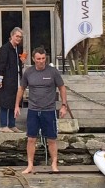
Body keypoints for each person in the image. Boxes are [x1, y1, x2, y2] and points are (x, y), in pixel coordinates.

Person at [15, 46, 70, 174]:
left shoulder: (53, 72)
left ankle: (54, 164)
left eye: (43, 58)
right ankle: (30, 165)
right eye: (38, 59)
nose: (41, 61)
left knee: (51, 138)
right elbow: (21, 89)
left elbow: (62, 88)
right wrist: (17, 105)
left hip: (49, 110)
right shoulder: (28, 72)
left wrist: (63, 105)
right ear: (34, 59)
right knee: (31, 139)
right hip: (33, 110)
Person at [0, 27, 24, 133]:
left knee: (13, 101)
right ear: (11, 36)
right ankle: (3, 125)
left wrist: (22, 62)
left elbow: (18, 64)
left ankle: (12, 124)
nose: (19, 39)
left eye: (20, 37)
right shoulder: (4, 49)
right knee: (4, 102)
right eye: (17, 36)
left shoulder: (18, 49)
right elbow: (0, 65)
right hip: (6, 79)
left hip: (15, 80)